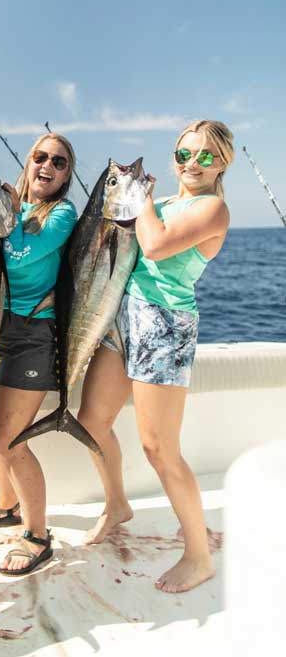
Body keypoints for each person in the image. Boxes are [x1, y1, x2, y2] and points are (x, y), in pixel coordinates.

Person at [77, 119, 234, 593]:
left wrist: (138, 195)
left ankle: (199, 556)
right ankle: (117, 504)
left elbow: (156, 244)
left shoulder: (214, 209)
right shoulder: (166, 203)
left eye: (206, 155)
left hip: (165, 325)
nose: (193, 163)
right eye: (185, 153)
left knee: (159, 448)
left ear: (222, 161)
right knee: (90, 422)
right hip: (122, 316)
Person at [0, 133, 78, 576]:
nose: (47, 165)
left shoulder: (62, 213)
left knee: (12, 438)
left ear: (67, 175)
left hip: (33, 332)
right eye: (40, 156)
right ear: (28, 163)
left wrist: (6, 213)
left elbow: (19, 254)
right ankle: (8, 503)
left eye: (60, 161)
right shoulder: (11, 207)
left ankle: (37, 534)